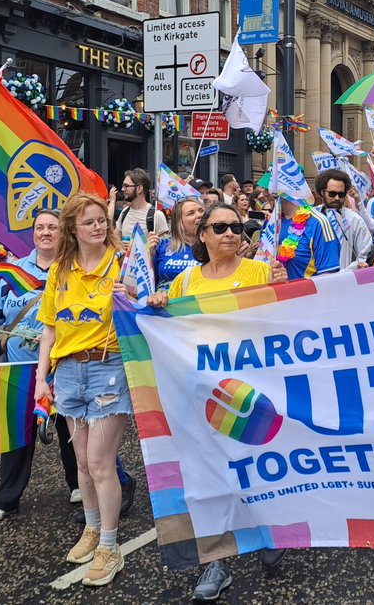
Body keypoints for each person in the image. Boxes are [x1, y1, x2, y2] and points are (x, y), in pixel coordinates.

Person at [147, 203, 288, 601]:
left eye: (236, 228)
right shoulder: (185, 281)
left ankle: (268, 528)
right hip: (200, 396)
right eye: (220, 227)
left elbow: (286, 323)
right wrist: (157, 302)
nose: (230, 234)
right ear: (203, 234)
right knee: (210, 476)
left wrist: (283, 288)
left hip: (253, 392)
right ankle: (217, 561)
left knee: (256, 467)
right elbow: (169, 327)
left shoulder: (261, 271)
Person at [0, 210, 107, 522]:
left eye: (52, 227)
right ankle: (6, 500)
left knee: (70, 429)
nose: (45, 233)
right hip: (18, 368)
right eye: (40, 227)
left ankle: (78, 484)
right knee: (17, 434)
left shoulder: (73, 269)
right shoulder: (13, 271)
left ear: (63, 232)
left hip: (62, 367)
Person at [34, 193, 131, 587]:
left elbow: (146, 306)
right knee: (82, 463)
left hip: (109, 369)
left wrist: (134, 295)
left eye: (101, 220)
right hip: (68, 372)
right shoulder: (60, 270)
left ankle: (110, 546)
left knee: (100, 462)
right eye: (88, 222)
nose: (98, 227)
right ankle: (92, 528)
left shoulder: (122, 262)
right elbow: (49, 329)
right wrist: (41, 378)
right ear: (72, 228)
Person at [315, 169, 372, 271]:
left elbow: (363, 256)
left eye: (341, 194)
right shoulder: (311, 217)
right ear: (323, 192)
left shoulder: (355, 220)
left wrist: (346, 272)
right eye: (332, 194)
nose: (337, 198)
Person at [274, 194, 340, 280]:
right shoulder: (271, 222)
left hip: (306, 289)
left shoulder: (318, 223)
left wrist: (287, 285)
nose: (265, 193)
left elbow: (330, 278)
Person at [152, 198, 204, 291]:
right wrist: (148, 254)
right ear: (179, 221)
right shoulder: (162, 245)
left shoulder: (215, 245)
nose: (199, 215)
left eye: (201, 211)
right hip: (166, 298)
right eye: (191, 213)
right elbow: (149, 282)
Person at [114, 168, 169, 252]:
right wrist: (120, 246)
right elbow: (115, 242)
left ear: (139, 188)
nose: (123, 189)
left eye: (126, 186)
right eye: (123, 186)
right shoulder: (124, 213)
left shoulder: (156, 215)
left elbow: (165, 250)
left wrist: (145, 247)